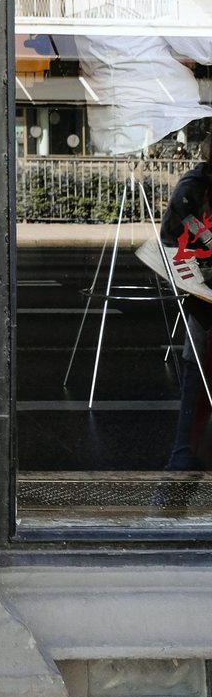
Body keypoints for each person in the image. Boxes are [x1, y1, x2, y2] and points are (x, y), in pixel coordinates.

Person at [143, 138, 212, 470]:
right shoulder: (195, 188)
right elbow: (173, 242)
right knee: (196, 379)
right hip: (206, 304)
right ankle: (178, 479)